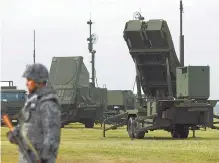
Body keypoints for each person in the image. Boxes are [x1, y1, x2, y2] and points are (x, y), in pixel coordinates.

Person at [7, 63, 61, 163]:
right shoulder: (32, 102)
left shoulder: (47, 104)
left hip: (39, 158)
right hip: (26, 158)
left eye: (29, 80)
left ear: (38, 81)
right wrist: (16, 133)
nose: (26, 83)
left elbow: (52, 136)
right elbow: (26, 125)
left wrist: (45, 158)